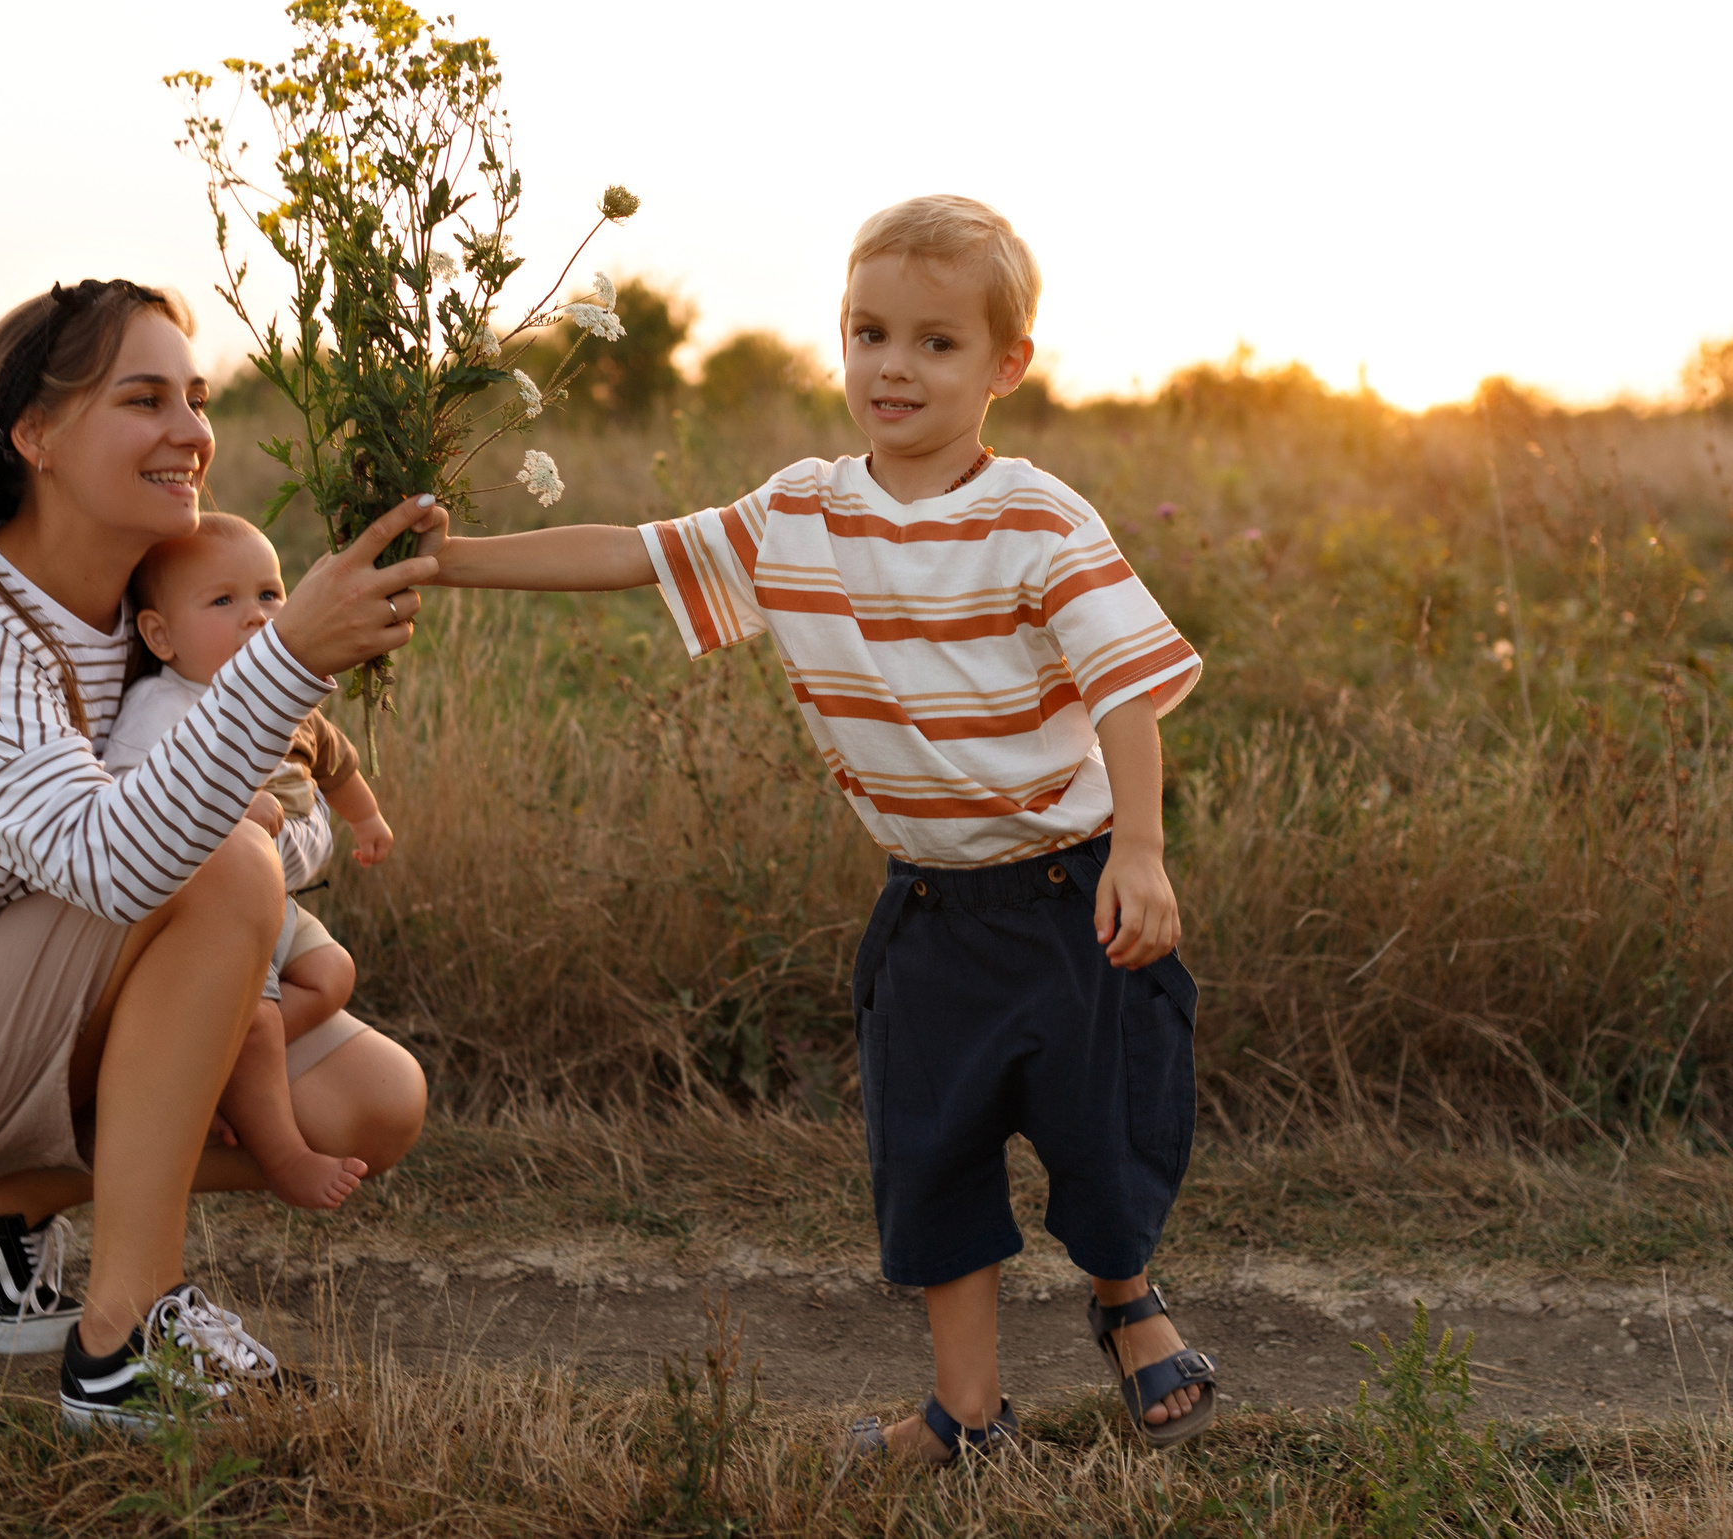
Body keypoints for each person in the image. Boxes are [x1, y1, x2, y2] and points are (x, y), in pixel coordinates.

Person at [421, 198, 1216, 1459]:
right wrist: (452, 560)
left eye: (936, 343)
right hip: (931, 910)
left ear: (1006, 366)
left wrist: (1141, 851)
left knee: (1101, 1140)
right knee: (930, 1157)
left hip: (1075, 898)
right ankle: (966, 1414)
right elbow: (637, 550)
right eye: (869, 332)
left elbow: (1123, 687)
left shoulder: (1037, 519)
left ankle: (1126, 1304)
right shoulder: (799, 515)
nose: (893, 365)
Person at [0, 279, 436, 1430]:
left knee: (371, 1105)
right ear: (35, 435)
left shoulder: (140, 620)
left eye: (197, 400)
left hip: (11, 1005)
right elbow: (122, 865)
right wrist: (288, 655)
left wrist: (280, 772)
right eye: (144, 398)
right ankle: (123, 1343)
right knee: (218, 870)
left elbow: (273, 827)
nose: (192, 432)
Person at [106, 512, 394, 1210]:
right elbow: (128, 799)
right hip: (213, 905)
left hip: (279, 900)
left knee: (332, 972)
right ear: (159, 635)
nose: (256, 617)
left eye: (270, 594)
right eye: (223, 601)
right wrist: (230, 815)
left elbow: (333, 761)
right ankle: (284, 1151)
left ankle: (217, 1066)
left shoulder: (288, 694)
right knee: (260, 1018)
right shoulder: (161, 705)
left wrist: (366, 815)